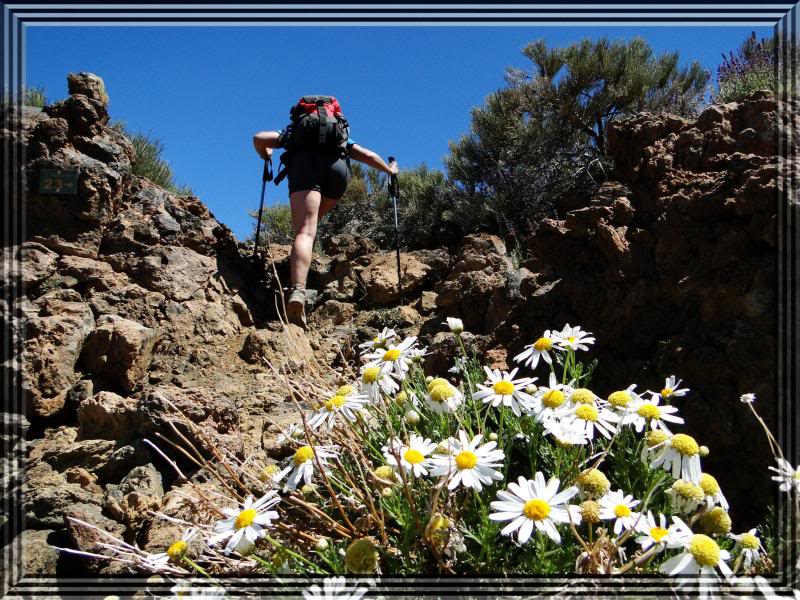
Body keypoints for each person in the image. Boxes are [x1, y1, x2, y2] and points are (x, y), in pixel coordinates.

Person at [252, 100, 398, 329]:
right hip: (337, 174)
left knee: (304, 231)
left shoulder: (296, 132)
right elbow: (367, 155)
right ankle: (307, 259)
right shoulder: (339, 135)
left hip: (305, 168)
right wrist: (389, 170)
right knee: (312, 225)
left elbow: (259, 138)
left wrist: (265, 154)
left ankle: (297, 291)